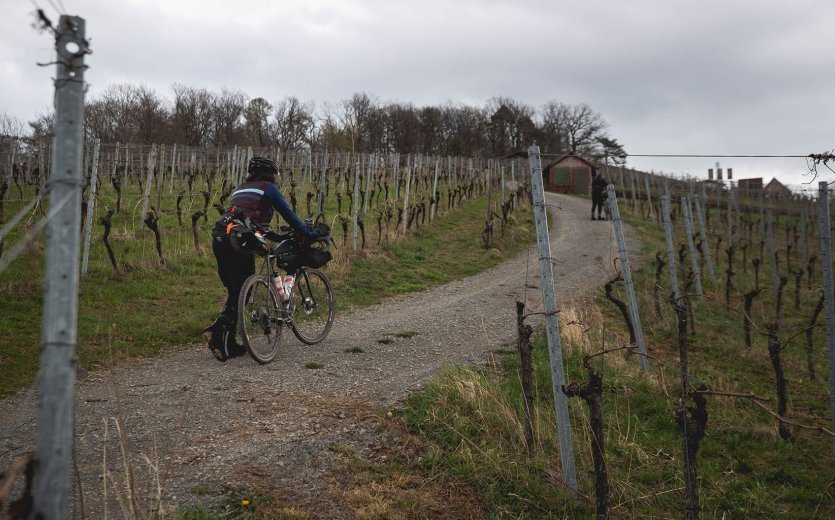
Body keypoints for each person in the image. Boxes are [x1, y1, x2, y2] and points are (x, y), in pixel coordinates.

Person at [203, 156, 320, 361]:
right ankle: (217, 330)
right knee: (242, 291)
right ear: (270, 174)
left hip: (220, 238)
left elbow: (248, 218)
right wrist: (308, 234)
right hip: (239, 241)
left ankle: (228, 342)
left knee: (236, 292)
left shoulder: (241, 188)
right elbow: (289, 215)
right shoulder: (268, 188)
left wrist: (275, 236)